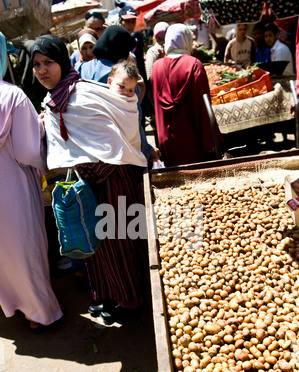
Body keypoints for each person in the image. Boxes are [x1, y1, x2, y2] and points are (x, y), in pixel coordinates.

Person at [31, 34, 149, 326]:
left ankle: (130, 299)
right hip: (87, 184)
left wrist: (89, 173)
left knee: (119, 241)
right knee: (94, 244)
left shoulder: (81, 94)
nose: (42, 70)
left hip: (111, 179)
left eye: (48, 62)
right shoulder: (53, 100)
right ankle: (107, 295)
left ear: (61, 61)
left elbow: (112, 140)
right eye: (36, 64)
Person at [0, 32, 63, 330]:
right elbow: (27, 151)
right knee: (26, 247)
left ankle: (9, 304)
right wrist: (39, 133)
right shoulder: (12, 96)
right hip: (11, 185)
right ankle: (38, 313)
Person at [77, 25, 160, 163]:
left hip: (86, 149)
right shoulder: (123, 78)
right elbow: (133, 119)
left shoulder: (81, 69)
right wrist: (146, 149)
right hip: (118, 154)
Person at [150, 23, 221, 167]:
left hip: (167, 140)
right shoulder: (194, 64)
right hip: (192, 140)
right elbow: (202, 106)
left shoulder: (156, 67)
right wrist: (210, 141)